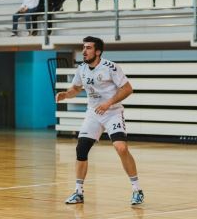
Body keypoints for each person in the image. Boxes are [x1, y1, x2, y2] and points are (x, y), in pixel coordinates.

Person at [56, 36, 143, 206]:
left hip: (113, 112)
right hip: (93, 113)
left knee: (121, 148)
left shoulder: (110, 67)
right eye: (83, 47)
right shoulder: (81, 68)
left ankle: (137, 190)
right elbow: (76, 88)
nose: (84, 51)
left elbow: (128, 89)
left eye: (88, 48)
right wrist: (65, 94)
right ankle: (78, 192)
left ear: (98, 52)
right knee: (81, 148)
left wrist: (108, 103)